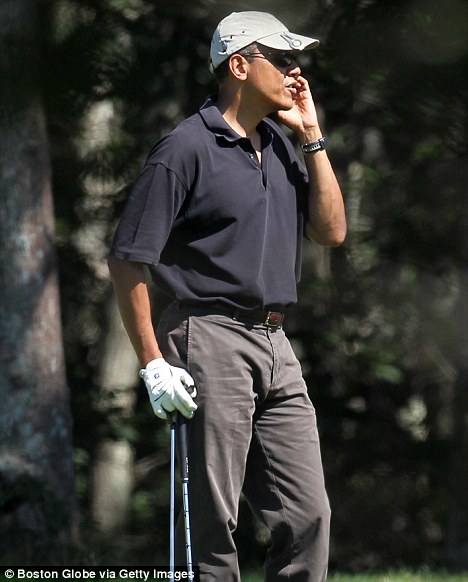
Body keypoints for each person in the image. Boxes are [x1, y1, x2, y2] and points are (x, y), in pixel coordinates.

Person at [108, 10, 346, 582]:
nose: (296, 72)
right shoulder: (185, 148)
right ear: (238, 66)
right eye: (282, 60)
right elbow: (127, 259)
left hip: (275, 342)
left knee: (309, 515)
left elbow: (332, 231)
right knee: (211, 525)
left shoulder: (283, 146)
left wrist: (311, 136)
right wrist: (153, 364)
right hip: (206, 337)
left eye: (297, 61)